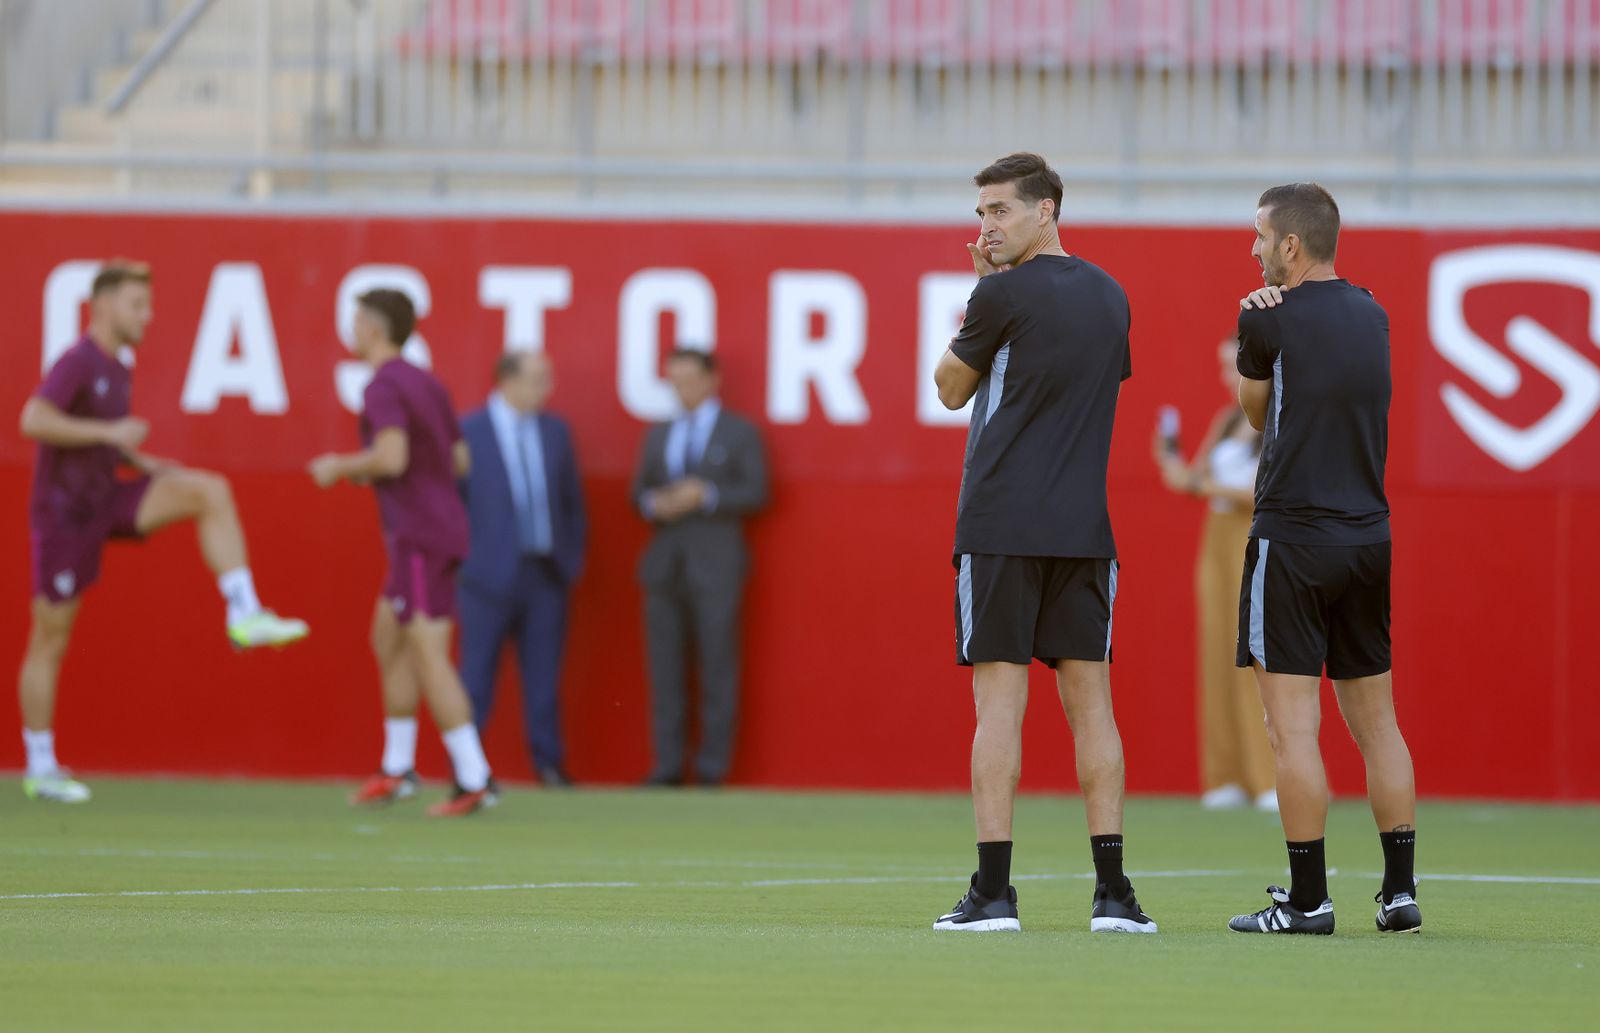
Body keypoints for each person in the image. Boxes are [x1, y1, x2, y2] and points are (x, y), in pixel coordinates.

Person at [930, 152, 1155, 934]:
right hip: (1084, 531)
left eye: (999, 210)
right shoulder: (1110, 294)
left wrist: (986, 292)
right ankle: (1114, 895)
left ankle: (993, 894)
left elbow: (949, 386)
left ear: (1045, 210)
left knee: (999, 707)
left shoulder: (1001, 294)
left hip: (1000, 525)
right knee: (1093, 710)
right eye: (981, 213)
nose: (986, 226)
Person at [17, 261, 308, 804]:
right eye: (137, 305)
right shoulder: (78, 360)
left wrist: (140, 460)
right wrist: (110, 431)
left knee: (207, 489)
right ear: (102, 305)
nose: (147, 317)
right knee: (51, 638)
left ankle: (244, 612)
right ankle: (40, 766)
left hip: (107, 495)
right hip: (65, 516)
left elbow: (98, 440)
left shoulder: (119, 365)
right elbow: (32, 419)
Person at [1226, 183, 1420, 935]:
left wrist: (1257, 326)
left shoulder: (1261, 315)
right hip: (1368, 538)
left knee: (1292, 731)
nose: (1254, 249)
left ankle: (1308, 901)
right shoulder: (1373, 312)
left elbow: (1254, 412)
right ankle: (1399, 893)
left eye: (1260, 236)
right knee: (1379, 725)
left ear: (1291, 247)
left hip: (1294, 538)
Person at [308, 289, 496, 817]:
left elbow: (392, 456)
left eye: (355, 320)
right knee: (387, 639)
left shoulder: (382, 385)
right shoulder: (426, 382)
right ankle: (397, 768)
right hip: (435, 529)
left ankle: (475, 777)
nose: (350, 329)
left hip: (419, 537)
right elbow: (457, 460)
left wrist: (340, 466)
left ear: (372, 327)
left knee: (428, 653)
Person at [631, 348, 768, 787]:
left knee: (717, 669)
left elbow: (757, 490)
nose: (681, 388)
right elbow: (640, 494)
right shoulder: (659, 433)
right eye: (674, 379)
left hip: (716, 566)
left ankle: (711, 768)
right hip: (664, 567)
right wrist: (658, 503)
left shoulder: (739, 432)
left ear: (712, 379)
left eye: (689, 378)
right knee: (665, 671)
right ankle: (667, 765)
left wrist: (704, 494)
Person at [1153, 340, 1277, 813]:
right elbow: (1193, 479)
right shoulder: (1227, 421)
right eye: (1225, 367)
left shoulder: (1280, 420)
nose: (1229, 376)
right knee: (1219, 651)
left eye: (1235, 366)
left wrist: (1205, 485)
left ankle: (1270, 776)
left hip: (1258, 539)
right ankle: (1228, 775)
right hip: (1218, 540)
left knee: (1260, 653)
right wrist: (1170, 459)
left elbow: (1262, 492)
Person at [457, 351, 586, 787]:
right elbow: (452, 504)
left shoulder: (556, 431)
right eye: (537, 380)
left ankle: (548, 763)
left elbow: (571, 503)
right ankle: (468, 769)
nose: (545, 390)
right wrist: (466, 562)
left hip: (545, 573)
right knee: (475, 677)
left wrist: (570, 560)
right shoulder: (467, 431)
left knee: (544, 679)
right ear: (506, 381)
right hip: (485, 576)